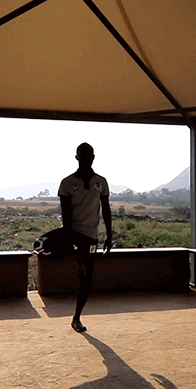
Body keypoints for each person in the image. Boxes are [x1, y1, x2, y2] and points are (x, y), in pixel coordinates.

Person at [58, 142, 113, 333]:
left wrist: (109, 234)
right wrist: (68, 240)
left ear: (93, 157)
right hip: (75, 235)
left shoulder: (101, 182)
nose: (86, 158)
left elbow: (106, 210)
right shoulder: (67, 183)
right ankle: (78, 259)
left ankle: (76, 318)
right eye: (83, 155)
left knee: (87, 277)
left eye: (89, 155)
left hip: (92, 238)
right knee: (82, 271)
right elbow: (65, 214)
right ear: (77, 157)